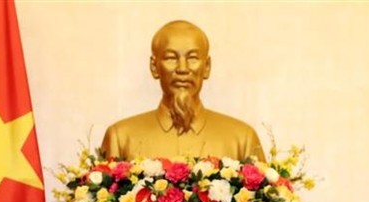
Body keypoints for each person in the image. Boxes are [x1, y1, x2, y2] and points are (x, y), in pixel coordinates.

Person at [101, 20, 265, 161]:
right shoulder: (121, 138)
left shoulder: (242, 139)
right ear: (154, 67)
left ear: (206, 66)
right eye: (171, 58)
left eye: (193, 58)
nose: (182, 69)